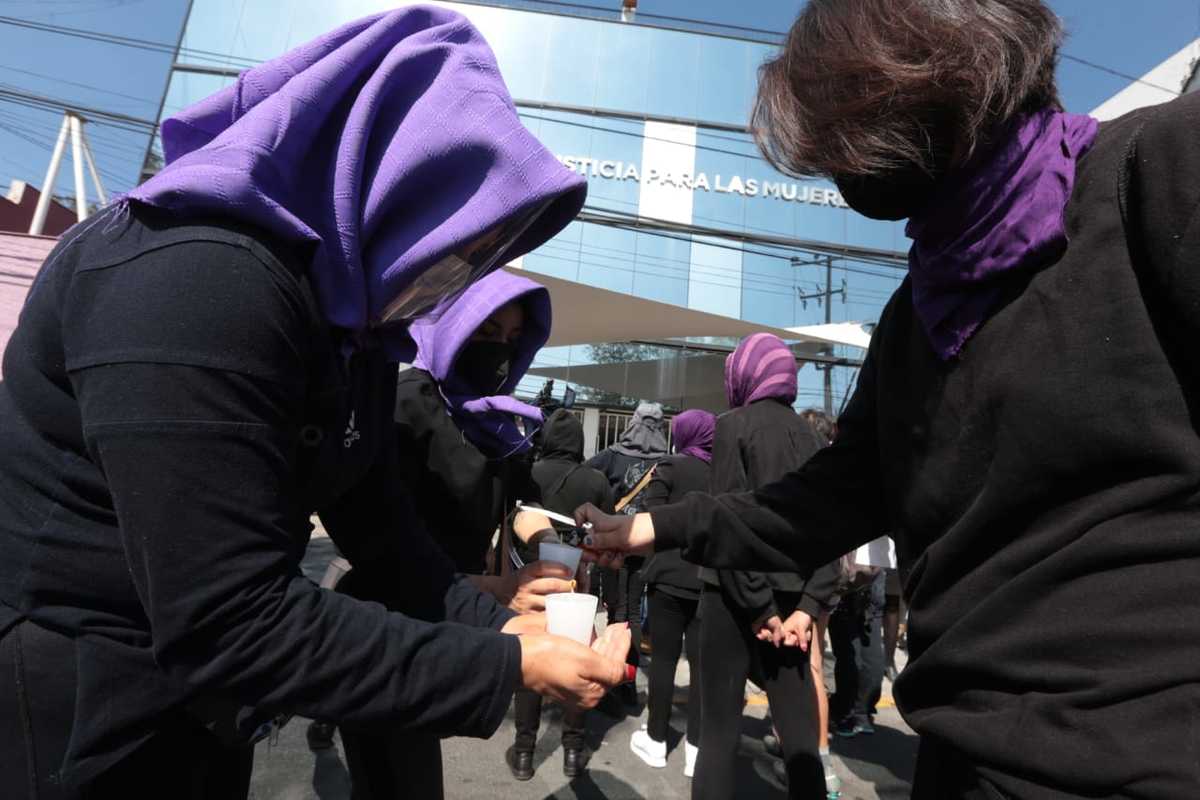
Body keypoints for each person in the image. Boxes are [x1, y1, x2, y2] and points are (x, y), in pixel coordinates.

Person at [0, 10, 630, 799]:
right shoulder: (198, 275)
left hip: (203, 704)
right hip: (76, 705)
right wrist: (508, 663)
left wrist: (498, 624)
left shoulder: (350, 327)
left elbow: (383, 528)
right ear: (388, 177)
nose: (454, 282)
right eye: (455, 243)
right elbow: (227, 616)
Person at [577, 0, 1200, 795]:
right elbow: (826, 498)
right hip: (964, 756)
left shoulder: (1156, 166)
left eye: (849, 128)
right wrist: (649, 526)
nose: (843, 171)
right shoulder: (918, 312)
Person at [330, 270, 578, 798]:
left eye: (514, 340)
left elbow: (522, 504)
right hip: (389, 623)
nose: (501, 354)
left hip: (452, 624)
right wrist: (494, 591)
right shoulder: (404, 406)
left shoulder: (496, 423)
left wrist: (549, 550)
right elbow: (380, 540)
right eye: (487, 334)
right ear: (452, 325)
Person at [688, 334, 837, 800]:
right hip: (794, 605)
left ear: (746, 373)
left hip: (730, 600)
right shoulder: (815, 437)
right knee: (799, 736)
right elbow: (830, 532)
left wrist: (757, 608)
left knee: (717, 735)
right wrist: (807, 608)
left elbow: (728, 524)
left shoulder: (732, 426)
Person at [507, 408, 616, 781]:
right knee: (577, 661)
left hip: (533, 583)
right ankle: (572, 749)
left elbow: (511, 522)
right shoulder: (596, 480)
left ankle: (524, 752)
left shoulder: (530, 475)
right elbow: (605, 533)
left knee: (531, 662)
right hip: (579, 585)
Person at [629, 409, 715, 778]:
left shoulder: (669, 467)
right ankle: (696, 749)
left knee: (663, 661)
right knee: (702, 668)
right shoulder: (725, 473)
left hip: (666, 578)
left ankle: (656, 741)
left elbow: (652, 520)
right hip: (708, 581)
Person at [587, 401, 668, 701]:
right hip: (645, 546)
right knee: (633, 612)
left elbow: (585, 475)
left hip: (612, 544)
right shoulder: (666, 461)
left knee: (613, 612)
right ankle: (629, 683)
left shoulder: (612, 455)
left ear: (632, 422)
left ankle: (611, 679)